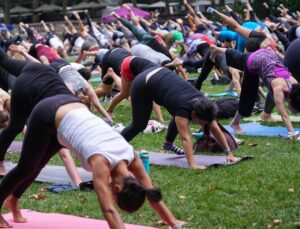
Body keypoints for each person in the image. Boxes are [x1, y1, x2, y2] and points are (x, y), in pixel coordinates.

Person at [0, 95, 182, 229]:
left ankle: (13, 201)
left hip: (71, 111)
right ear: (116, 189)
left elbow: (153, 194)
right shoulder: (101, 162)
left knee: (36, 167)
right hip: (48, 113)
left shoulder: (131, 155)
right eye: (115, 197)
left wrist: (175, 224)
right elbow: (109, 210)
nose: (111, 197)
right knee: (26, 167)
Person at [120, 66, 239, 168]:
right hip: (143, 83)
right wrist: (192, 165)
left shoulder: (205, 106)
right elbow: (185, 138)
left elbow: (216, 129)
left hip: (160, 75)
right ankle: (114, 146)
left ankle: (168, 144)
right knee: (139, 125)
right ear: (193, 114)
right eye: (201, 123)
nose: (202, 126)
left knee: (177, 116)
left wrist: (228, 153)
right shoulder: (183, 109)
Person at [210, 45, 300, 138]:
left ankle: (217, 49)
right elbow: (284, 115)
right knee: (249, 96)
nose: (294, 112)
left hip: (268, 55)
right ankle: (235, 123)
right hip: (254, 61)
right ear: (290, 100)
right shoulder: (279, 89)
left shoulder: (295, 85)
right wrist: (293, 133)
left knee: (240, 57)